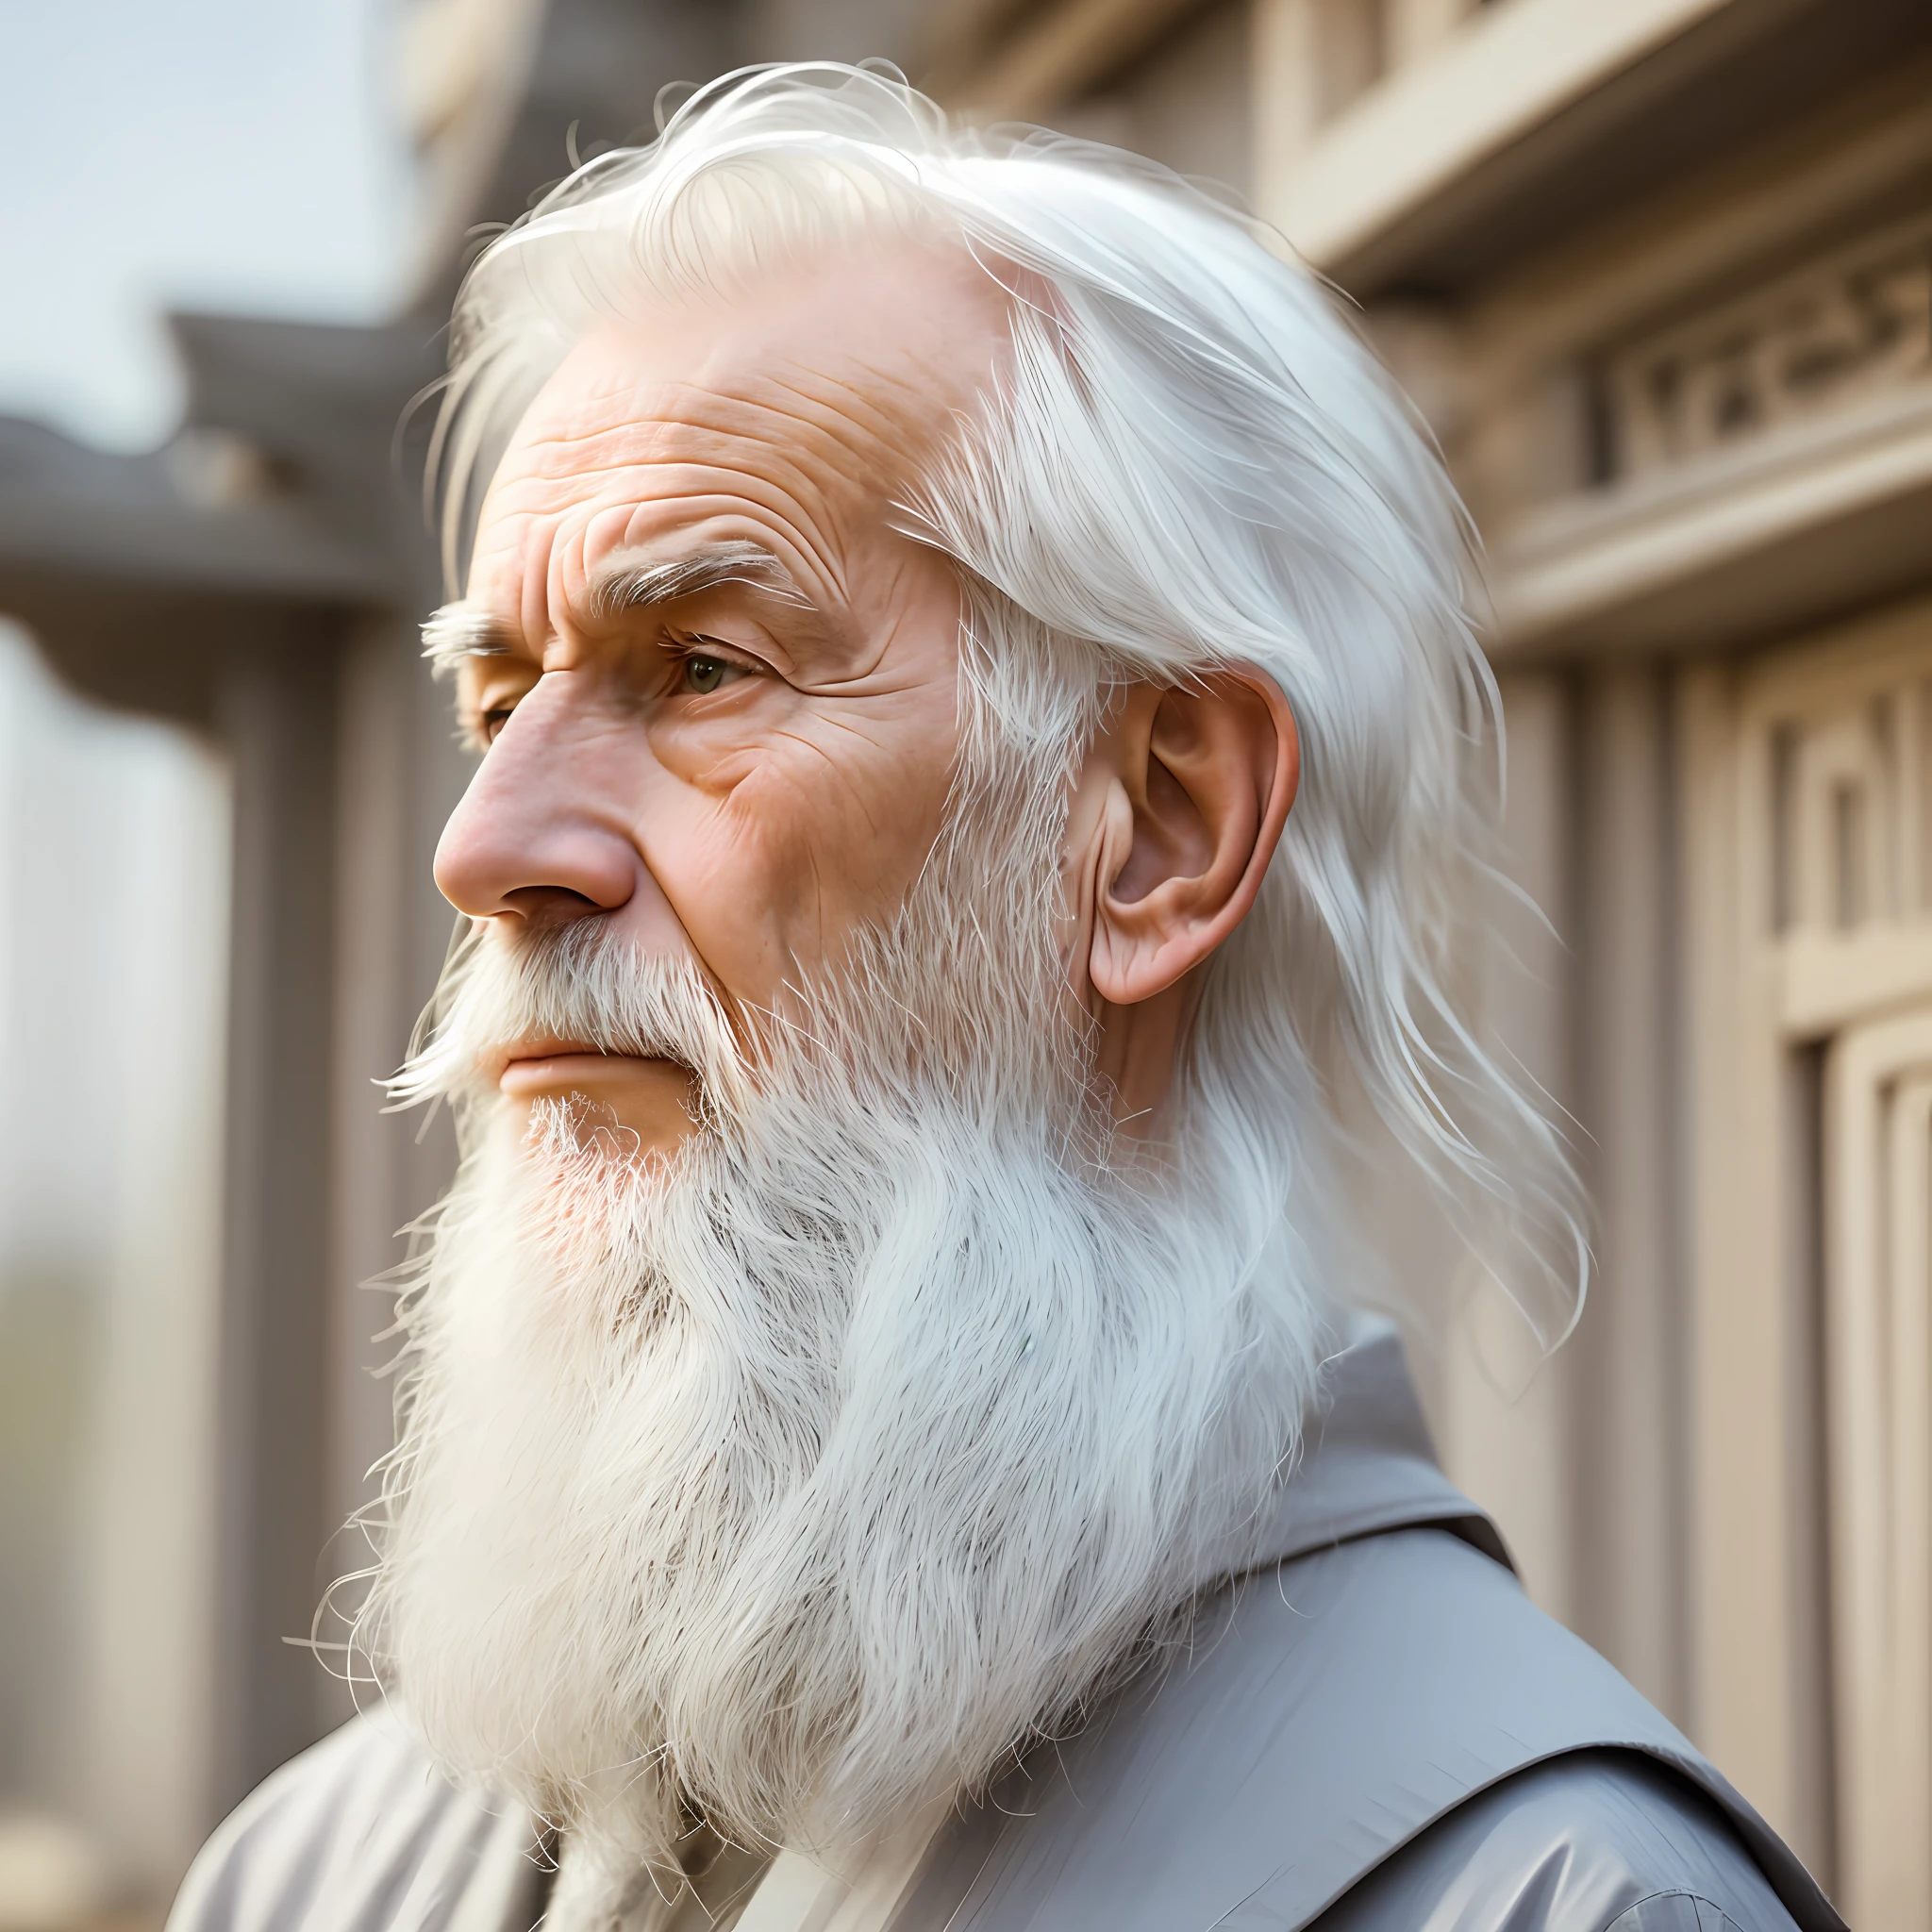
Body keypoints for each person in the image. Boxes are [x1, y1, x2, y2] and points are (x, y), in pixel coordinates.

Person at [168, 64, 1841, 1932]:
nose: (487, 844)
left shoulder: (1551, 1900)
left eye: (701, 667)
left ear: (1157, 828)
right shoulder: (313, 1872)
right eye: (498, 701)